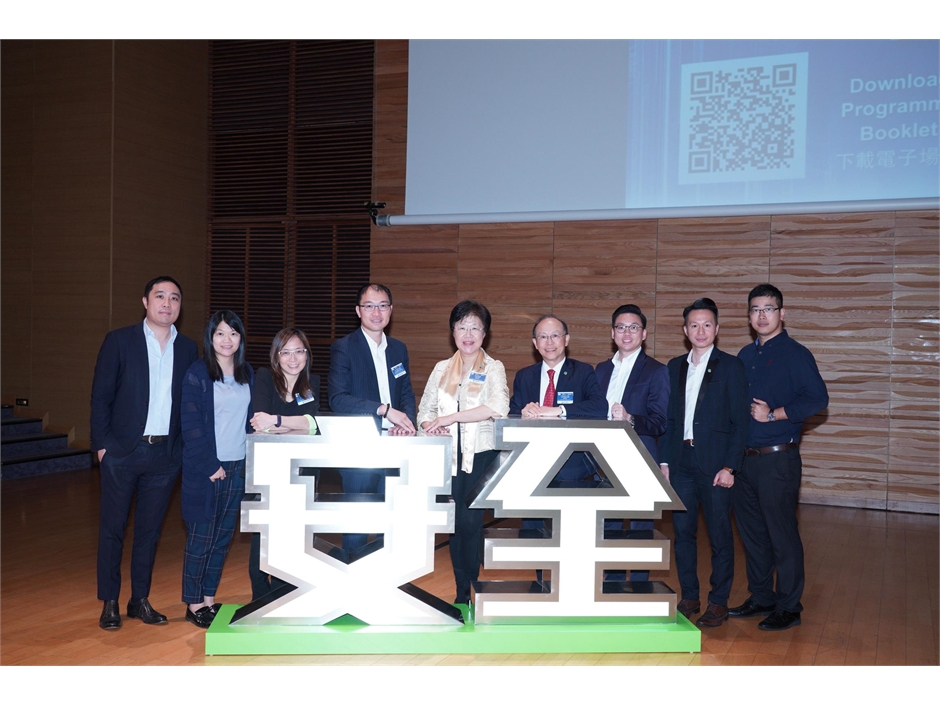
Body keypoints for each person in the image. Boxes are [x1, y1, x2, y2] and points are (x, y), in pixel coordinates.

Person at [91, 276, 197, 630]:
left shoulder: (188, 348)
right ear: (145, 302)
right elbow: (100, 396)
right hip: (122, 451)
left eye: (174, 298)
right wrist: (102, 446)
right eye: (160, 296)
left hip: (165, 455)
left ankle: (139, 600)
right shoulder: (120, 340)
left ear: (180, 306)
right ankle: (109, 601)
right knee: (113, 529)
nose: (167, 303)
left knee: (150, 532)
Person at [729, 284, 829, 631]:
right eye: (755, 309)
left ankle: (789, 606)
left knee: (781, 535)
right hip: (744, 460)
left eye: (768, 309)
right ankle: (762, 597)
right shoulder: (744, 355)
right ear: (748, 316)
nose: (762, 316)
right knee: (753, 535)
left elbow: (817, 399)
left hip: (777, 460)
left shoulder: (795, 354)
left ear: (782, 314)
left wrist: (774, 414)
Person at [659, 298, 748, 627]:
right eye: (694, 325)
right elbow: (669, 419)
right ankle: (690, 597)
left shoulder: (731, 366)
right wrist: (664, 462)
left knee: (720, 537)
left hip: (715, 466)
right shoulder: (674, 367)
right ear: (685, 330)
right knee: (683, 535)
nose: (701, 330)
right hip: (681, 463)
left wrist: (730, 467)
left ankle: (718, 601)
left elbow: (741, 422)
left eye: (707, 324)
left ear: (717, 329)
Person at [417, 301, 510, 604]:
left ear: (485, 334)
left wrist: (452, 418)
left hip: (480, 455)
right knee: (454, 524)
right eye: (462, 327)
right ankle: (461, 590)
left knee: (470, 523)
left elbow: (498, 406)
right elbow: (425, 412)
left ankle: (471, 583)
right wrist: (431, 426)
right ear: (453, 332)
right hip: (447, 457)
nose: (468, 334)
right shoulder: (441, 369)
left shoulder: (493, 367)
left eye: (475, 328)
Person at [328, 283, 417, 557]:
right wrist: (384, 410)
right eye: (369, 306)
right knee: (358, 525)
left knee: (391, 525)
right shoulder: (344, 347)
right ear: (358, 311)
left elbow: (406, 393)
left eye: (382, 306)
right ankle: (351, 581)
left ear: (391, 310)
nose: (376, 312)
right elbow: (338, 399)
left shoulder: (398, 349)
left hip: (396, 446)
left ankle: (385, 580)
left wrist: (407, 423)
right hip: (361, 449)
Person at [510, 315, 608, 560]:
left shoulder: (583, 372)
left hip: (572, 469)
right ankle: (539, 580)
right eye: (543, 337)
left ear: (566, 339)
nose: (549, 342)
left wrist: (559, 410)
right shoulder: (524, 376)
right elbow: (511, 413)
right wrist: (522, 412)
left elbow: (599, 407)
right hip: (532, 467)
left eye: (555, 335)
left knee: (572, 539)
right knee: (534, 539)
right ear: (535, 343)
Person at [180, 310, 254, 628]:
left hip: (238, 466)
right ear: (210, 338)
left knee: (222, 538)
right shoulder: (198, 373)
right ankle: (193, 603)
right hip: (207, 469)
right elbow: (190, 424)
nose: (227, 339)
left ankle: (209, 599)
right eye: (220, 333)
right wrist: (211, 465)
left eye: (233, 333)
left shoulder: (246, 372)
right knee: (201, 539)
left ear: (240, 339)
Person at [594, 304, 669, 582]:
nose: (627, 333)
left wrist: (630, 418)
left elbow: (660, 422)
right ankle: (611, 587)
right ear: (612, 333)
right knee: (608, 528)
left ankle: (638, 590)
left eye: (634, 327)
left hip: (640, 459)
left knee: (640, 529)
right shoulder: (601, 370)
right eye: (621, 327)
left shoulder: (656, 371)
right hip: (602, 459)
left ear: (644, 333)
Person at [247, 327, 320, 601]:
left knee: (292, 534)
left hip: (301, 471)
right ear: (276, 356)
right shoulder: (265, 378)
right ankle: (260, 596)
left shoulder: (312, 383)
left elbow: (314, 424)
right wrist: (296, 424)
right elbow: (259, 423)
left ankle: (285, 594)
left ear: (306, 355)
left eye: (299, 351)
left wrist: (276, 420)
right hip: (269, 468)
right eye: (286, 352)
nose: (293, 358)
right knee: (264, 532)